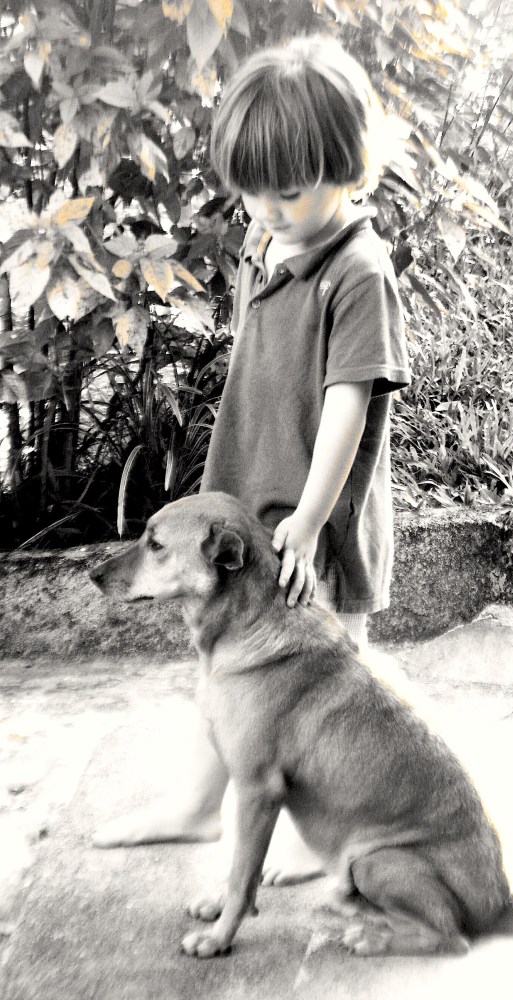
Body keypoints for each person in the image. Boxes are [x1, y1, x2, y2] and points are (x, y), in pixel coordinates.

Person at [93, 34, 410, 882]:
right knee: (223, 669)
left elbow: (348, 403)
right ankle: (198, 810)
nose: (267, 209)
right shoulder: (265, 243)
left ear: (349, 168)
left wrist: (306, 524)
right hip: (246, 497)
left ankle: (326, 833)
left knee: (330, 687)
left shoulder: (358, 271)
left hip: (316, 517)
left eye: (290, 191)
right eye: (250, 192)